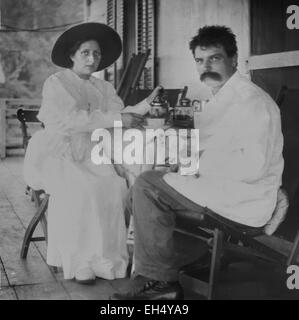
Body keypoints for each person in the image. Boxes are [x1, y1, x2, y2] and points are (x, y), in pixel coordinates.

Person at [111, 25, 284, 300]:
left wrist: (195, 165)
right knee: (143, 186)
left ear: (234, 59)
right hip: (220, 189)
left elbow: (254, 167)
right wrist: (182, 163)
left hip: (243, 199)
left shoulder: (250, 102)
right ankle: (179, 260)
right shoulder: (216, 100)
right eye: (200, 61)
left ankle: (161, 282)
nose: (206, 66)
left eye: (214, 58)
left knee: (146, 185)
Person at [23, 22, 159, 284]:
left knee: (113, 185)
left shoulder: (103, 88)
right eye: (85, 52)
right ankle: (80, 261)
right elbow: (73, 120)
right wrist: (119, 119)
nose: (92, 58)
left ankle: (105, 258)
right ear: (72, 55)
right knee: (82, 188)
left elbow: (119, 114)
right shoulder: (57, 82)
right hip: (61, 151)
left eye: (96, 54)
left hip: (93, 151)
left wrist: (143, 107)